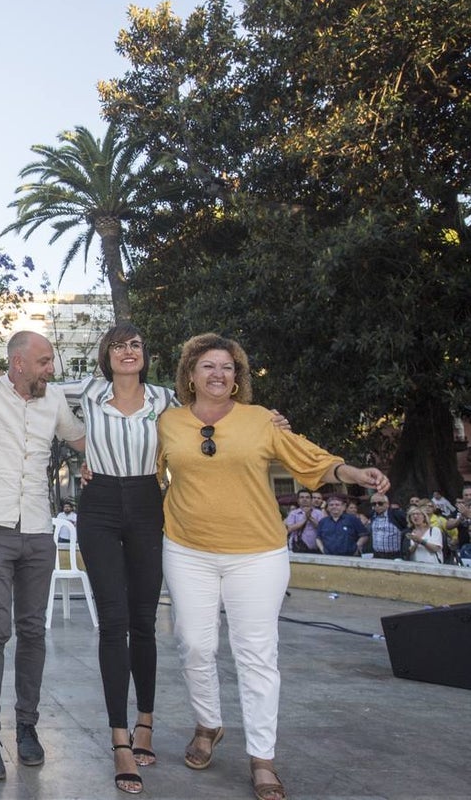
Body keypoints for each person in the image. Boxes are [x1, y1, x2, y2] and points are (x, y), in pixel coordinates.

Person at [156, 333, 388, 800]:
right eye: (208, 366)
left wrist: (353, 473)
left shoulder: (262, 421)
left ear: (237, 378)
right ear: (191, 375)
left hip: (257, 554)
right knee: (195, 645)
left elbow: (310, 460)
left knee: (256, 654)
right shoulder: (168, 422)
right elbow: (146, 467)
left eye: (228, 367)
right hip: (187, 550)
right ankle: (208, 724)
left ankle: (262, 758)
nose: (219, 374)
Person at [0, 330, 85, 781]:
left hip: (37, 528)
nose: (51, 368)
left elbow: (83, 440)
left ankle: (26, 727)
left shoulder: (54, 402)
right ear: (19, 363)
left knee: (33, 630)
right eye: (45, 361)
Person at [75, 323, 177, 794]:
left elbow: (211, 420)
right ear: (106, 355)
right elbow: (32, 385)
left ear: (145, 354)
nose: (127, 351)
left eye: (135, 344)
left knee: (144, 619)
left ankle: (146, 723)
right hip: (98, 504)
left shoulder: (166, 398)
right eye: (118, 345)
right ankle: (119, 739)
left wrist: (269, 418)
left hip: (146, 499)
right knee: (113, 622)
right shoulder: (89, 391)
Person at [367, 494, 407, 560]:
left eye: (380, 503)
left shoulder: (396, 515)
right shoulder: (372, 515)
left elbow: (408, 527)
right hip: (377, 555)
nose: (377, 506)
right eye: (374, 504)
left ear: (387, 504)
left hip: (394, 555)